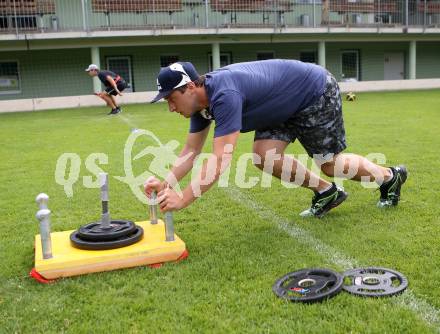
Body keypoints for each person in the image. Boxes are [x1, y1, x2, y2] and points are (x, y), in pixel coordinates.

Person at [144, 60, 407, 218]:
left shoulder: (224, 94)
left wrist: (184, 199)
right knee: (263, 155)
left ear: (190, 87)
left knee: (330, 164)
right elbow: (191, 151)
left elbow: (220, 159)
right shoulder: (200, 105)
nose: (170, 107)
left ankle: (389, 177)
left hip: (313, 91)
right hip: (282, 103)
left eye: (170, 98)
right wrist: (166, 184)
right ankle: (327, 192)